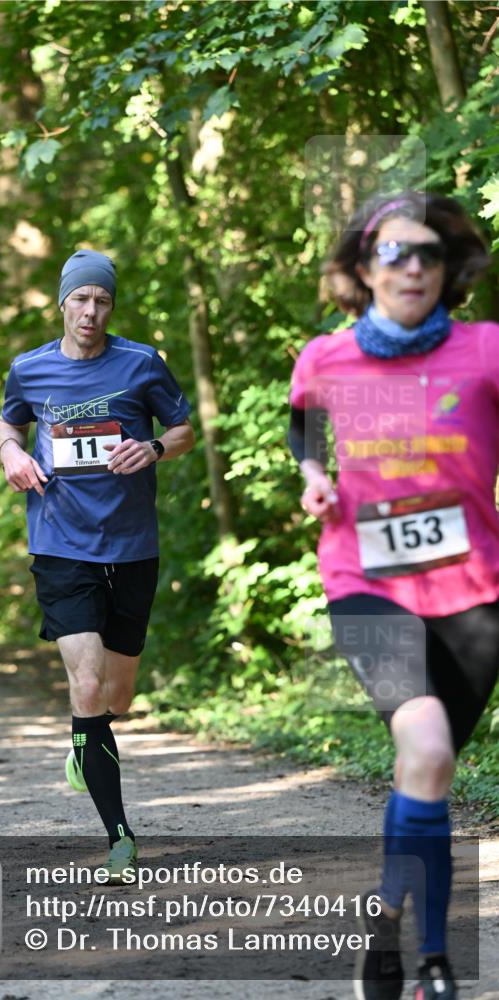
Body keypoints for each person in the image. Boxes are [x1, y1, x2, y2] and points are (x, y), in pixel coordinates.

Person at [288, 191, 498, 1000]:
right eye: (394, 253)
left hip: (474, 589)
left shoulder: (484, 351)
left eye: (428, 256)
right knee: (428, 748)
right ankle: (434, 963)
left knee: (426, 770)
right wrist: (312, 474)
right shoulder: (328, 358)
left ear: (448, 271)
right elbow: (300, 422)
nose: (412, 267)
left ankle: (385, 920)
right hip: (365, 580)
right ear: (362, 268)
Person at [0, 249, 194, 882]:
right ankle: (121, 839)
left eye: (102, 300)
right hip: (59, 542)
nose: (91, 310)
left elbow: (186, 428)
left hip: (132, 546)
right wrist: (11, 455)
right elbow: (8, 423)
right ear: (63, 303)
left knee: (118, 698)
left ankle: (89, 736)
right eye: (80, 299)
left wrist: (156, 446)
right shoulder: (29, 368)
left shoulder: (140, 365)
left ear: (112, 306)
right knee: (86, 689)